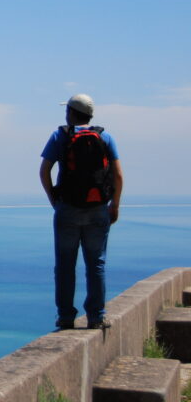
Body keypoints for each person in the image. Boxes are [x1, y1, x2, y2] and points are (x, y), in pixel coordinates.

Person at [39, 94, 123, 330]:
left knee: (65, 265)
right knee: (96, 264)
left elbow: (44, 170)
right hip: (98, 209)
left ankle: (66, 317)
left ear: (70, 113)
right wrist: (114, 205)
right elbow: (118, 175)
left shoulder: (61, 136)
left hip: (67, 208)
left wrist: (53, 199)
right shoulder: (105, 136)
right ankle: (96, 316)